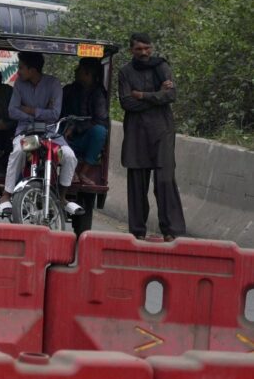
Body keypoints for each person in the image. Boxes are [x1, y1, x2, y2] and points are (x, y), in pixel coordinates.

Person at [0, 51, 82, 217]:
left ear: (32, 70)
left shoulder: (54, 84)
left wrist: (29, 109)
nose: (18, 71)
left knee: (70, 156)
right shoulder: (19, 84)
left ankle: (62, 198)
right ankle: (6, 195)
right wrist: (39, 113)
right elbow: (12, 111)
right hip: (26, 132)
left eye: (21, 68)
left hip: (50, 133)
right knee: (18, 152)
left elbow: (55, 114)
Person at [118, 32, 186, 241]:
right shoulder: (125, 72)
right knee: (138, 184)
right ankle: (137, 232)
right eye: (139, 49)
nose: (144, 52)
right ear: (132, 51)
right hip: (137, 133)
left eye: (147, 48)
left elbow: (171, 95)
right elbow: (126, 102)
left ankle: (171, 231)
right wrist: (157, 96)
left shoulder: (162, 67)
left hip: (162, 131)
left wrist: (143, 95)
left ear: (152, 48)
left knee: (165, 181)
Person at [62, 57, 110, 185]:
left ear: (88, 73)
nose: (76, 71)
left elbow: (100, 120)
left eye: (79, 69)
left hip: (84, 138)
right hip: (66, 137)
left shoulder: (98, 93)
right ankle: (65, 172)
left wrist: (77, 128)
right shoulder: (70, 90)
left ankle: (83, 173)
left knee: (100, 131)